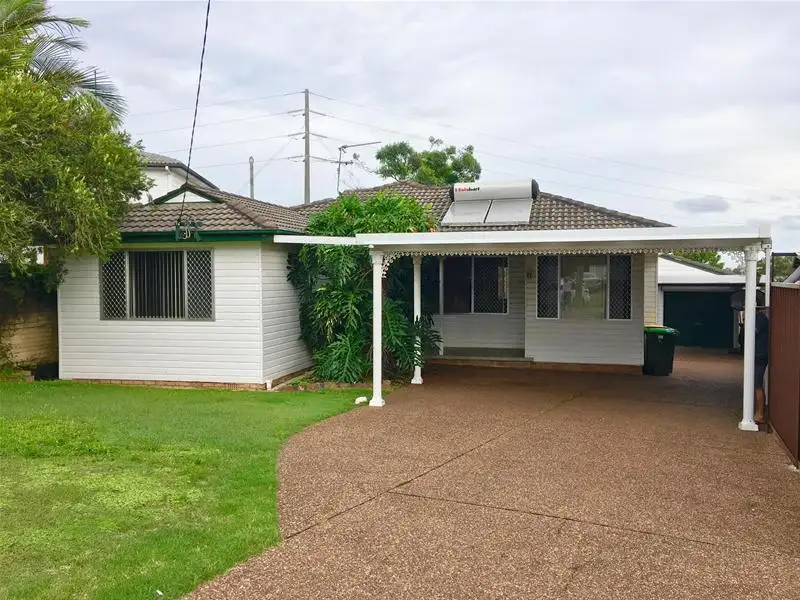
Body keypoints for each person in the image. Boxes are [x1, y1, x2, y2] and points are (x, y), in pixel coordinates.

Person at [754, 306, 769, 424]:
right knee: (755, 385)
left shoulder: (760, 318)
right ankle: (757, 412)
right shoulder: (759, 318)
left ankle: (760, 414)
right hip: (757, 355)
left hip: (760, 356)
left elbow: (754, 331)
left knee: (757, 385)